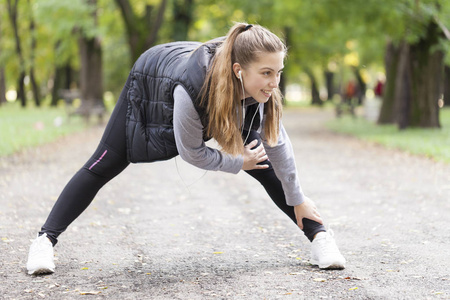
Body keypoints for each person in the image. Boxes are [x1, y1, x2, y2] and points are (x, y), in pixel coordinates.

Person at [26, 23, 345, 275]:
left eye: (278, 72)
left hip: (215, 90)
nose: (274, 82)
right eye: (266, 73)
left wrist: (298, 199)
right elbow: (190, 150)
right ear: (239, 70)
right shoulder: (191, 89)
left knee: (264, 163)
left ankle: (320, 238)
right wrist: (236, 162)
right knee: (104, 163)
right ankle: (43, 241)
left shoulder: (264, 88)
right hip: (151, 81)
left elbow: (280, 148)